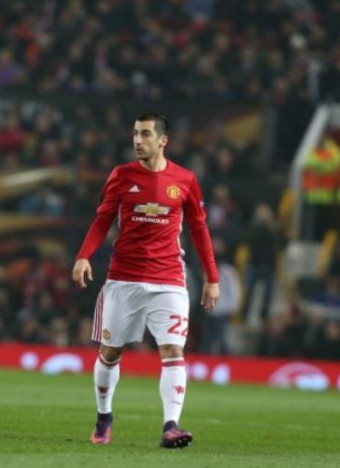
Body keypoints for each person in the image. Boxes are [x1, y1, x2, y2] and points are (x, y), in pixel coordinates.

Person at [72, 113, 220, 449]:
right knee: (111, 352)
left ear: (163, 140)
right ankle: (104, 416)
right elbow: (102, 220)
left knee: (172, 349)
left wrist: (212, 277)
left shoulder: (185, 179)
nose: (138, 140)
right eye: (135, 133)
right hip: (124, 279)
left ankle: (171, 426)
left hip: (169, 279)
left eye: (146, 134)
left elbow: (199, 228)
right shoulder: (121, 176)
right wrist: (83, 256)